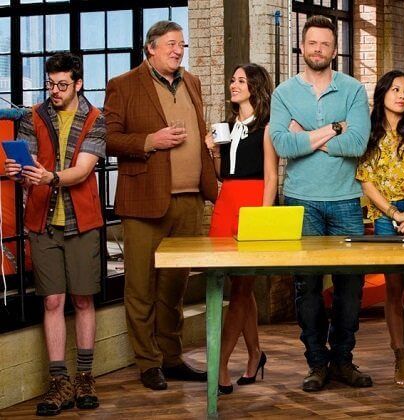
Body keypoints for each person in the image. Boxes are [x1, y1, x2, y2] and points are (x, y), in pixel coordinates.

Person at [104, 20, 218, 391]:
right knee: (141, 287)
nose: (178, 50)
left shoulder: (192, 82)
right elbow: (108, 139)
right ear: (150, 47)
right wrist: (150, 141)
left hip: (190, 201)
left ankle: (171, 357)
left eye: (181, 44)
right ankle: (148, 363)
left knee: (174, 288)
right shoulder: (123, 85)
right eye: (171, 44)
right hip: (144, 202)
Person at [269, 15, 371, 392]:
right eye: (312, 43)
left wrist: (309, 136)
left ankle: (342, 360)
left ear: (334, 49)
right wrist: (335, 128)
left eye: (325, 44)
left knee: (350, 285)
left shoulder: (353, 90)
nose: (318, 49)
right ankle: (316, 363)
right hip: (301, 201)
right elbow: (283, 145)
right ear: (302, 46)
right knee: (307, 286)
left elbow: (357, 144)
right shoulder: (284, 93)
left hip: (345, 200)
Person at [4, 52, 104, 415]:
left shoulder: (96, 119)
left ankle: (85, 378)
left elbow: (83, 170)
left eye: (63, 84)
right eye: (51, 84)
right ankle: (59, 382)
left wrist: (51, 177)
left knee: (83, 300)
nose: (55, 90)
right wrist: (18, 170)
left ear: (78, 84)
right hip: (42, 222)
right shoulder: (33, 117)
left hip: (82, 222)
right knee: (51, 301)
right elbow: (26, 168)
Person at [356, 70, 404, 387]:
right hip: (386, 214)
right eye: (395, 89)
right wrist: (394, 214)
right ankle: (400, 354)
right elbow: (366, 180)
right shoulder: (369, 130)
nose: (402, 95)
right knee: (394, 288)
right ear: (382, 93)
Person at [204, 63, 278, 395]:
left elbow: (271, 176)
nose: (233, 85)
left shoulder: (267, 127)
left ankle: (220, 363)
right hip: (227, 203)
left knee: (240, 290)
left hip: (253, 203)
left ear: (255, 87)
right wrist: (213, 151)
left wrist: (262, 218)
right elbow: (223, 174)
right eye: (232, 80)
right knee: (240, 288)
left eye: (241, 81)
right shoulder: (228, 125)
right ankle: (255, 354)